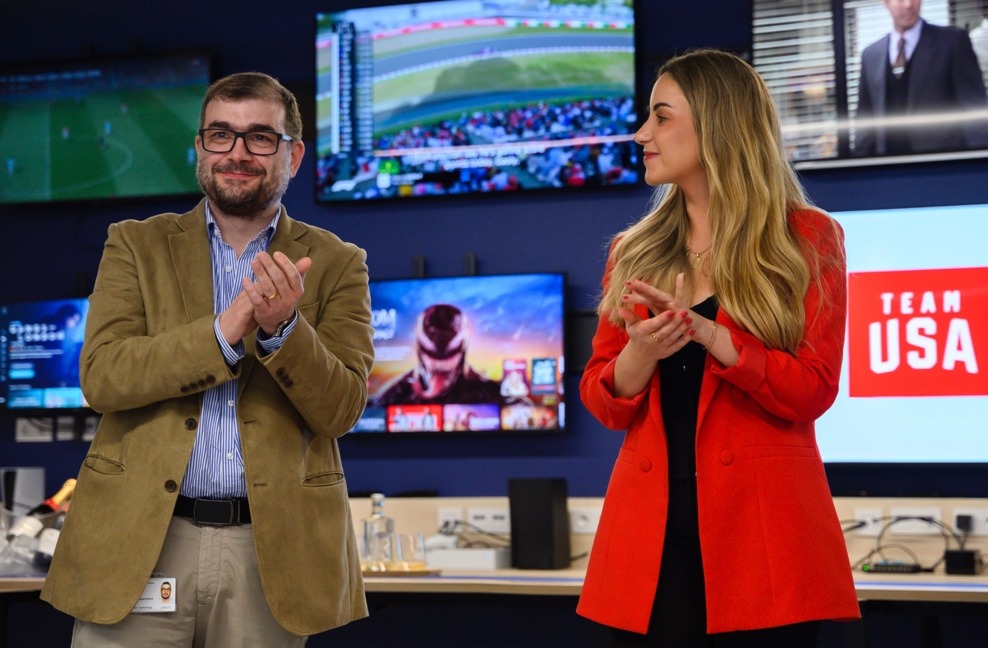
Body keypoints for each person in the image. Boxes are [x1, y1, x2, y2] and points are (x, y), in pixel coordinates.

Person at [40, 72, 375, 646]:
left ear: (293, 156)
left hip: (270, 553)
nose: (237, 153)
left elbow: (342, 409)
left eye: (259, 138)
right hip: (140, 542)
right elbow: (103, 376)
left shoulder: (337, 262)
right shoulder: (135, 243)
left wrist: (283, 330)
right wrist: (224, 331)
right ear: (199, 147)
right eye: (220, 135)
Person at [577, 49, 860, 646]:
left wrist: (718, 340)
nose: (641, 134)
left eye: (660, 117)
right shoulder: (633, 249)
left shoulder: (807, 239)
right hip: (648, 550)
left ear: (716, 124)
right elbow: (604, 400)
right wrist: (640, 354)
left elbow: (812, 391)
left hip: (762, 548)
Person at [854, 0, 988, 156]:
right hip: (888, 169)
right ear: (886, 3)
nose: (908, 5)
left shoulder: (952, 42)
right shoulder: (871, 55)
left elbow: (974, 110)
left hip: (942, 165)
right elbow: (865, 122)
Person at [372, 303, 501, 406]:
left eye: (450, 356)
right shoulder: (398, 394)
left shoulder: (487, 391)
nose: (440, 364)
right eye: (432, 356)